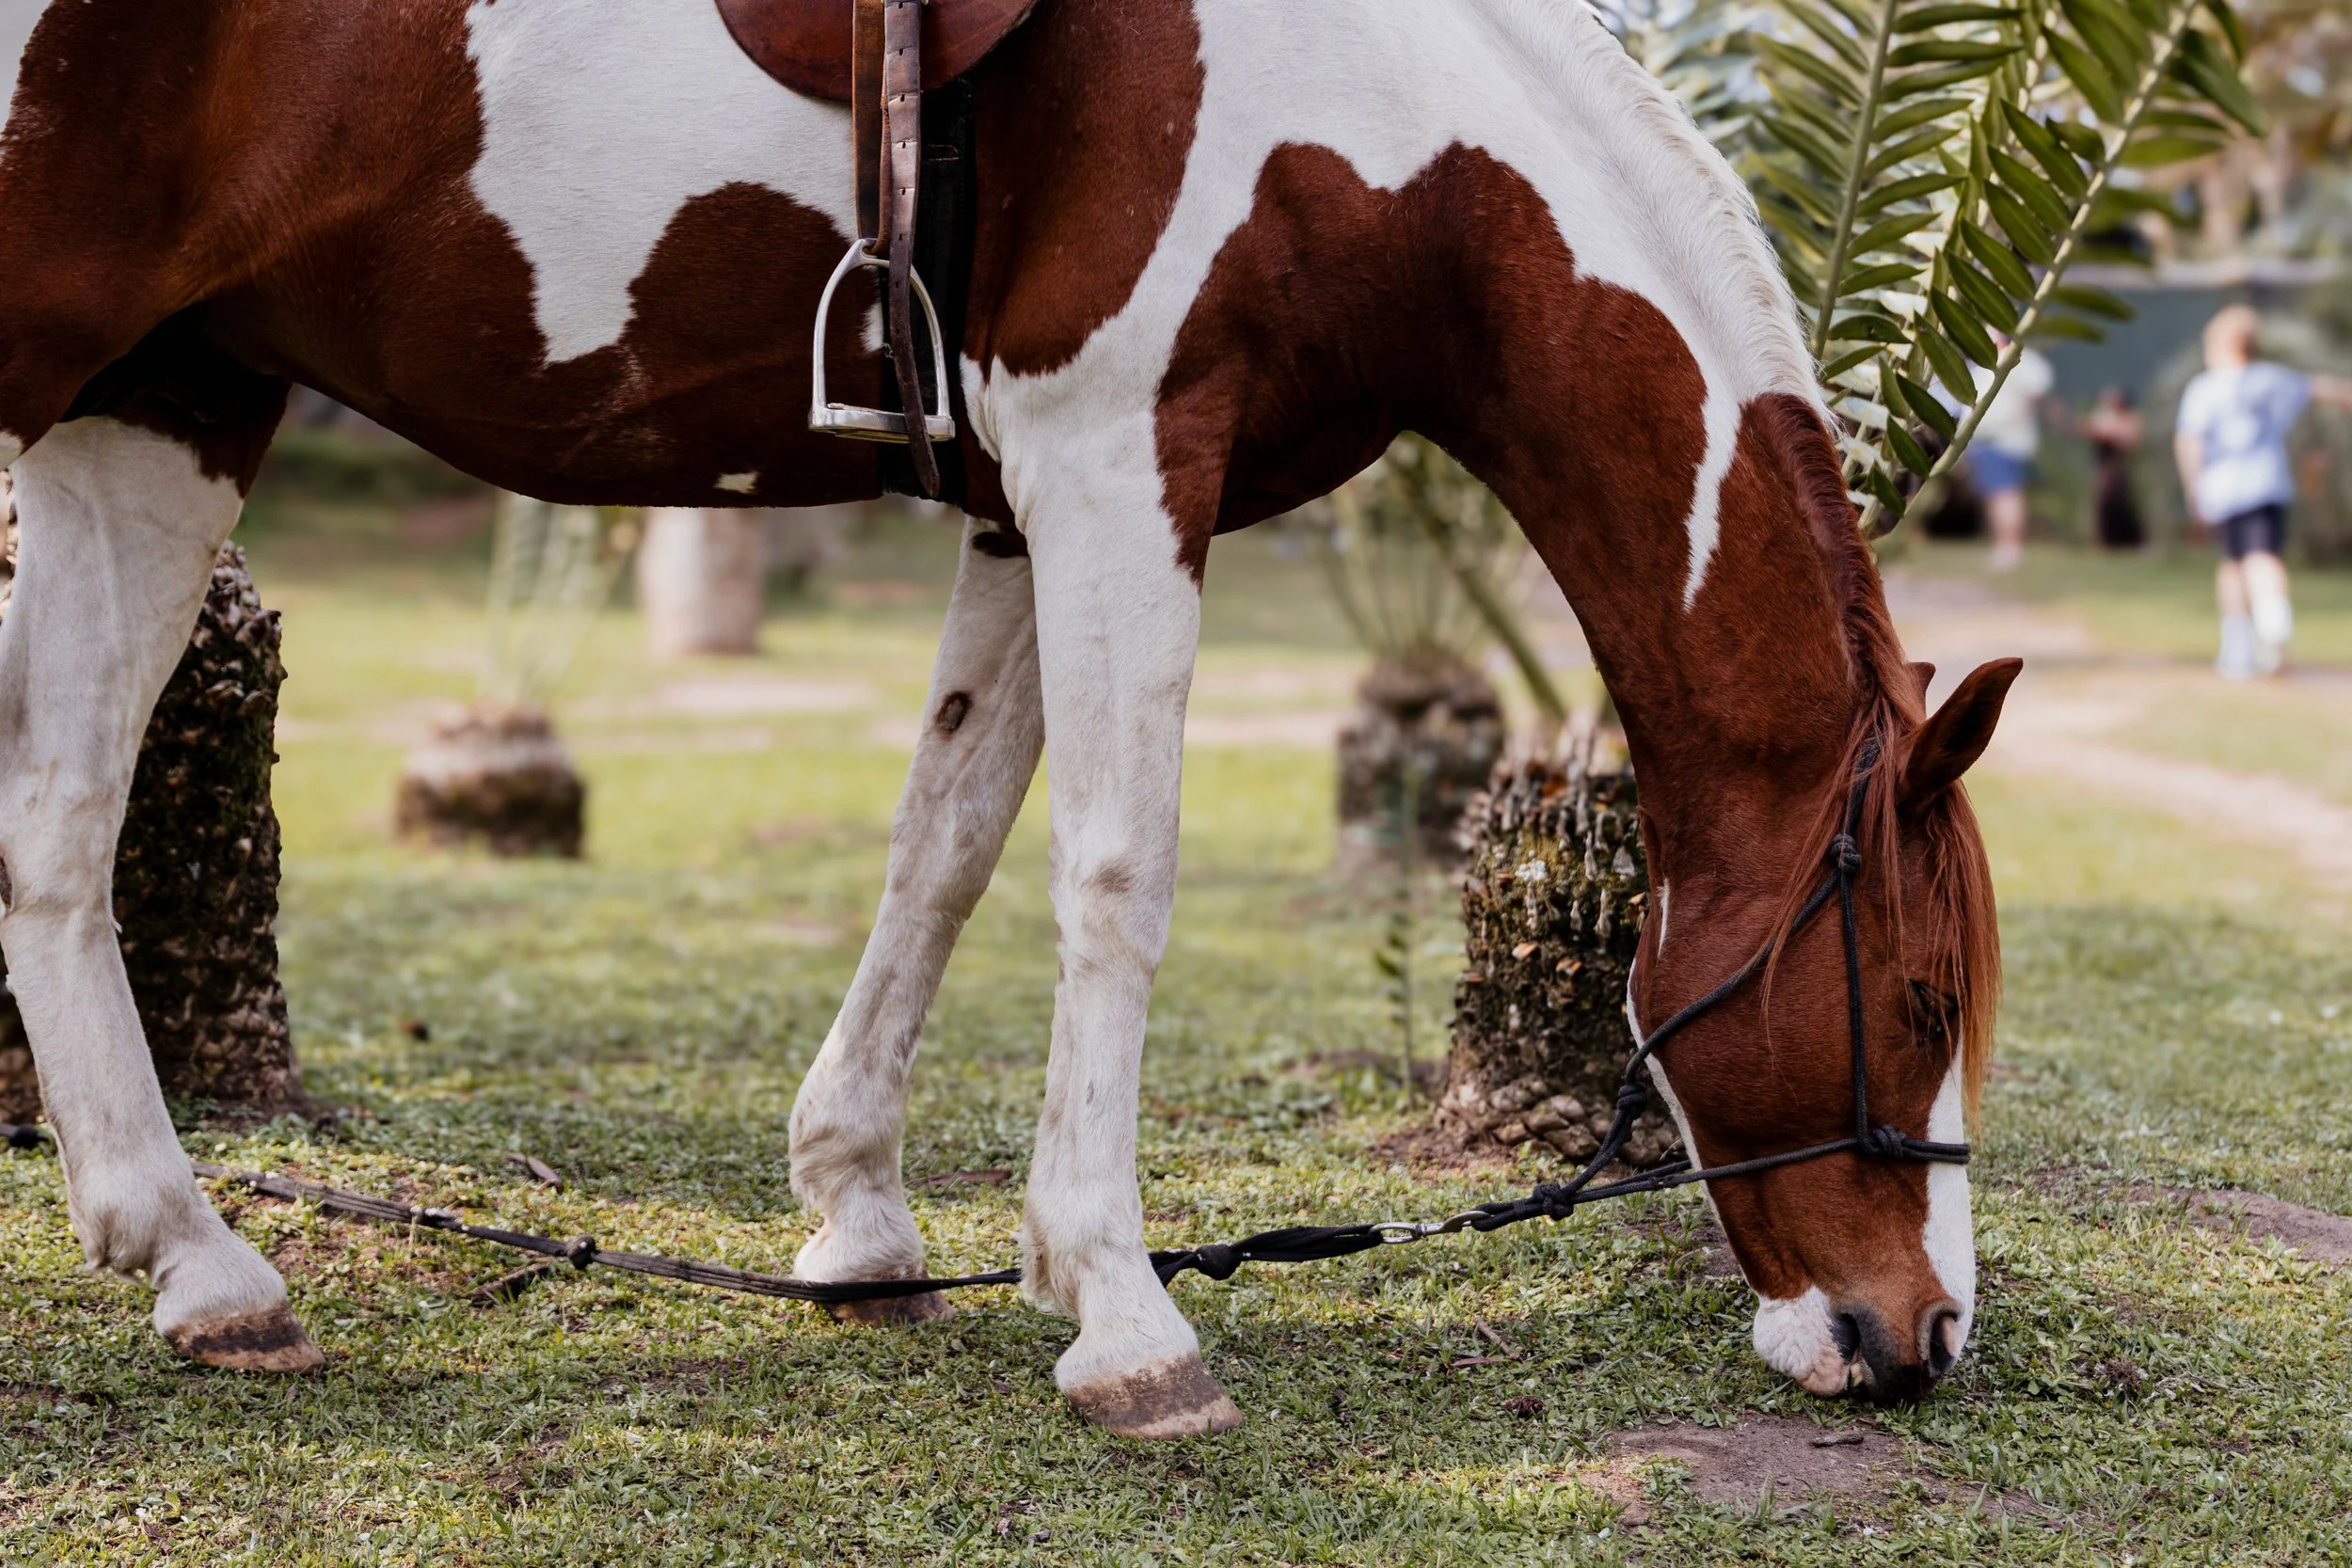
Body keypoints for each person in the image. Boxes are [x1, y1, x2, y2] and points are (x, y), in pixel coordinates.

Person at [2174, 305, 2352, 679]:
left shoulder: (2204, 388)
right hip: (2265, 484)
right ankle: (2272, 623)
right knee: (2263, 557)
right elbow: (2322, 388)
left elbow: (2189, 441)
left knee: (2235, 563)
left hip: (2222, 491)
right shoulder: (2272, 378)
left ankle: (2238, 649)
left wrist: (2194, 489)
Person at [1963, 336, 2057, 572]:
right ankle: (2003, 546)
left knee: (2006, 494)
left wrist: (2009, 421)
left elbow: (2035, 392)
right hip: (1985, 442)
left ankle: (2010, 548)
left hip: (2006, 441)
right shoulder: (1983, 363)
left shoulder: (2021, 361)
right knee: (1995, 495)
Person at [2082, 387, 2145, 549]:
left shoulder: (2130, 418)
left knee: (2122, 505)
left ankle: (2128, 542)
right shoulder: (2102, 415)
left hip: (2119, 467)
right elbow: (2090, 431)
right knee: (2103, 505)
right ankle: (2105, 542)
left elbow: (2130, 441)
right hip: (2103, 465)